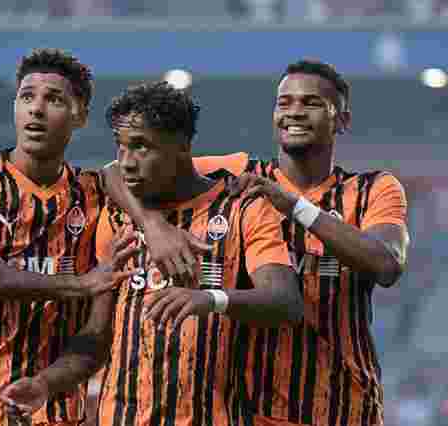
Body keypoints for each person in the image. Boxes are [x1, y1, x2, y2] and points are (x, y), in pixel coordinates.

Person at [109, 60, 410, 425]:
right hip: (255, 409)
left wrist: (296, 206)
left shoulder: (373, 188)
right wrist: (154, 226)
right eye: (284, 102)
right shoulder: (239, 171)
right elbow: (116, 171)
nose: (294, 112)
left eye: (311, 103)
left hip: (345, 405)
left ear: (341, 119)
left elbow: (387, 264)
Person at [0, 81, 303, 426]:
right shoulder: (118, 217)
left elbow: (286, 303)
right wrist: (44, 384)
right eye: (121, 147)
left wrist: (211, 300)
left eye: (141, 146)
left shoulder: (241, 210)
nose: (127, 162)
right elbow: (98, 336)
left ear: (182, 147)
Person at [0, 48, 140, 426]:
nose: (36, 109)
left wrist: (44, 384)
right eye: (26, 97)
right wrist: (80, 284)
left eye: (53, 99)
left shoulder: (97, 196)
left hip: (52, 412)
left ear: (80, 115)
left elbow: (96, 339)